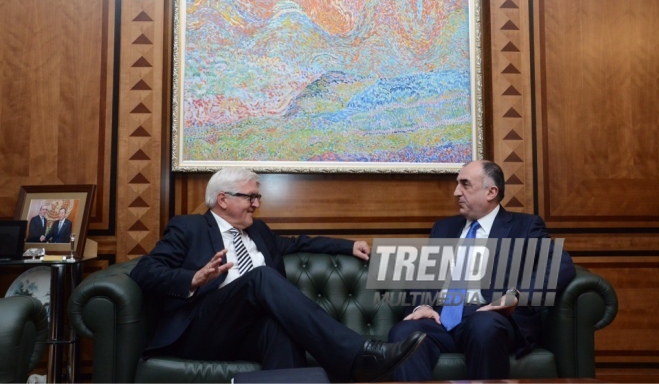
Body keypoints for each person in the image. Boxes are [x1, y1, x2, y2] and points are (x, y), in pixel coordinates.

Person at [129, 167, 425, 382]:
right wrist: (192, 279)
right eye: (251, 197)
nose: (257, 204)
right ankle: (360, 353)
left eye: (257, 197)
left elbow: (298, 243)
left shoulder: (258, 231)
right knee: (262, 277)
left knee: (279, 327)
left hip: (246, 332)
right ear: (223, 199)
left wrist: (349, 246)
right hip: (201, 329)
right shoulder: (188, 227)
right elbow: (145, 270)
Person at [387, 160, 576, 380]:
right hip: (441, 320)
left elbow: (560, 264)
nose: (456, 192)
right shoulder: (444, 228)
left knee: (483, 326)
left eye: (465, 184)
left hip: (489, 315)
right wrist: (423, 305)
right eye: (457, 184)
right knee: (403, 331)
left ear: (491, 192)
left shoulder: (524, 226)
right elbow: (425, 276)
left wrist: (514, 297)